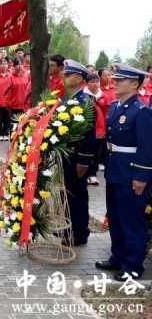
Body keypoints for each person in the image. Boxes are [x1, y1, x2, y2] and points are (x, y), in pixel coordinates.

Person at [95, 64, 152, 282]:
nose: (115, 82)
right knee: (116, 217)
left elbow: (147, 148)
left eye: (121, 80)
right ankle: (118, 257)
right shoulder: (117, 106)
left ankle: (133, 265)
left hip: (131, 173)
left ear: (135, 84)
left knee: (132, 220)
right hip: (114, 169)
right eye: (115, 78)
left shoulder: (141, 111)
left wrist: (141, 177)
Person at [60, 60, 97, 247]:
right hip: (67, 157)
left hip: (77, 158)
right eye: (65, 74)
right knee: (68, 194)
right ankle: (69, 228)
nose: (64, 77)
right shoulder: (69, 99)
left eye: (68, 75)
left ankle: (79, 232)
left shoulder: (85, 102)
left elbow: (89, 135)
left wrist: (84, 161)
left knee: (78, 195)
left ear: (79, 78)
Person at [84, 73, 109, 187]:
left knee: (97, 153)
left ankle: (93, 173)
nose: (94, 84)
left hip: (101, 129)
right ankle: (88, 174)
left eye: (96, 82)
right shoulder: (84, 96)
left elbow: (106, 113)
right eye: (92, 82)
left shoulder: (103, 96)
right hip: (88, 129)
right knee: (88, 152)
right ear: (87, 83)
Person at [0, 59, 13, 141]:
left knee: (7, 119)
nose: (4, 65)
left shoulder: (10, 76)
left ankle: (5, 133)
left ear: (8, 65)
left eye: (5, 64)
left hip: (8, 102)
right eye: (2, 64)